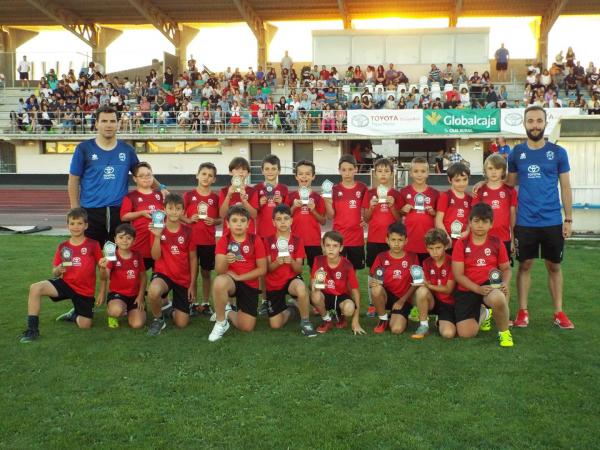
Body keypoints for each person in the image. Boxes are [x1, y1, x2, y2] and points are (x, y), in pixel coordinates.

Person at [506, 106, 574, 329]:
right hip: (525, 221)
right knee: (524, 265)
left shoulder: (558, 152)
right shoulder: (516, 154)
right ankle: (523, 312)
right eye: (530, 121)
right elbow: (509, 185)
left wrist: (569, 219)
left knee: (554, 266)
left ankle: (559, 312)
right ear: (524, 124)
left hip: (552, 220)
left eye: (538, 121)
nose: (534, 125)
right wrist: (484, 183)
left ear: (545, 123)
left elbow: (565, 187)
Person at [68, 105, 165, 247]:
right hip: (90, 211)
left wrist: (161, 187)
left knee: (117, 256)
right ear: (96, 123)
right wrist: (75, 209)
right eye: (104, 121)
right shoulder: (83, 149)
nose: (108, 125)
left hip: (119, 212)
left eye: (112, 121)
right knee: (89, 256)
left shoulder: (127, 150)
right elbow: (73, 180)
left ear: (118, 124)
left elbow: (142, 174)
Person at [20, 208, 103, 342]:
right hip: (66, 284)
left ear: (86, 225)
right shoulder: (63, 246)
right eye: (72, 223)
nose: (76, 227)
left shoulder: (93, 245)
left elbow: (102, 270)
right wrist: (59, 269)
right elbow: (54, 272)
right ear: (67, 226)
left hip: (85, 291)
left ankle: (74, 315)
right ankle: (32, 330)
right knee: (35, 288)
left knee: (85, 325)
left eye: (79, 223)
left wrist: (102, 291)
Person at [452, 203, 514, 347]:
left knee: (498, 297)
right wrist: (477, 289)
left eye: (485, 221)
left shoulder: (496, 242)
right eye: (476, 221)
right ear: (469, 222)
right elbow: (458, 275)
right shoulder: (461, 243)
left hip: (490, 285)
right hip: (467, 288)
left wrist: (505, 283)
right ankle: (484, 313)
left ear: (491, 224)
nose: (480, 225)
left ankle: (504, 333)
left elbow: (506, 269)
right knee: (466, 334)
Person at [208, 206, 268, 342]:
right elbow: (219, 270)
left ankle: (228, 313)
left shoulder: (255, 240)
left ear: (248, 224)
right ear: (228, 224)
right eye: (234, 220)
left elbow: (262, 269)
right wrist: (225, 260)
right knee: (219, 282)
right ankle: (221, 322)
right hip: (231, 281)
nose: (239, 224)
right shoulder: (224, 240)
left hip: (249, 282)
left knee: (247, 327)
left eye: (242, 220)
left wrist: (240, 277)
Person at [147, 194, 198, 336]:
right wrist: (157, 236)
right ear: (164, 210)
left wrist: (192, 285)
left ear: (183, 211)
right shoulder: (157, 228)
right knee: (153, 291)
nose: (174, 211)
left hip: (182, 278)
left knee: (182, 323)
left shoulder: (188, 231)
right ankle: (158, 319)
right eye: (170, 208)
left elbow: (193, 259)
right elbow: (155, 256)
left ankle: (170, 309)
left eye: (178, 209)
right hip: (164, 274)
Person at [264, 204, 317, 337]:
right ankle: (292, 309)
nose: (283, 222)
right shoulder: (267, 241)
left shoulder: (297, 240)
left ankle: (305, 322)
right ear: (273, 222)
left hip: (291, 279)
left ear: (291, 221)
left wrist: (291, 261)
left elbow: (298, 269)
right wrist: (277, 263)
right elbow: (267, 269)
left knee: (301, 288)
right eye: (279, 219)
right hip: (273, 283)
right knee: (275, 325)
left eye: (286, 218)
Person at [362, 158, 401, 317]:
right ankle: (372, 304)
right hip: (373, 239)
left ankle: (390, 302)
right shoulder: (370, 193)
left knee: (391, 271)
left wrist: (392, 206)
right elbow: (366, 218)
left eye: (386, 171)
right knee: (373, 272)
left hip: (392, 241)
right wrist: (371, 207)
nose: (383, 174)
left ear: (392, 173)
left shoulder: (396, 194)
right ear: (375, 174)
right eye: (380, 171)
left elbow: (399, 219)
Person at [182, 162, 221, 317]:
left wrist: (214, 221)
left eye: (210, 175)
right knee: (191, 273)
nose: (206, 177)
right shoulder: (188, 195)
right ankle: (191, 302)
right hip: (190, 241)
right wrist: (188, 219)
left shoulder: (215, 198)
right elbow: (179, 215)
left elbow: (220, 218)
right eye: (204, 174)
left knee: (206, 273)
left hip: (208, 241)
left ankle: (205, 303)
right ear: (197, 175)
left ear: (214, 180)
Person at [310, 231, 365, 335]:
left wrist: (356, 319)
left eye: (335, 246)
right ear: (323, 246)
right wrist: (314, 284)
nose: (331, 249)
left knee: (349, 309)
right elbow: (313, 282)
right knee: (315, 295)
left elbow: (355, 291)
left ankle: (342, 316)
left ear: (341, 248)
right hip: (325, 296)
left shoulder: (347, 264)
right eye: (328, 245)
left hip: (341, 297)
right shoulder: (318, 260)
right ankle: (327, 320)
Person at [368, 223, 418, 335]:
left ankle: (399, 316)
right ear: (387, 240)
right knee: (376, 288)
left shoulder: (412, 257)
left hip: (403, 298)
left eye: (400, 240)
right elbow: (375, 279)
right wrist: (374, 282)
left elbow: (416, 282)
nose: (396, 243)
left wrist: (402, 300)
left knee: (396, 329)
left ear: (406, 241)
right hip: (386, 296)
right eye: (393, 239)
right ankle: (383, 319)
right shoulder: (381, 257)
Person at [97, 223, 146, 329]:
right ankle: (112, 315)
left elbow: (143, 277)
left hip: (134, 295)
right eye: (121, 237)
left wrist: (141, 296)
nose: (124, 240)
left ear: (134, 241)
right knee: (116, 311)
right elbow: (105, 277)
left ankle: (129, 310)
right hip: (118, 295)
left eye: (129, 238)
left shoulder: (137, 255)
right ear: (115, 239)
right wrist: (102, 268)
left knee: (137, 324)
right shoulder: (112, 256)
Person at [324, 155, 368, 270]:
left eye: (350, 169)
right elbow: (331, 216)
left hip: (356, 238)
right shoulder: (334, 190)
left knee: (354, 271)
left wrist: (366, 220)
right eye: (343, 170)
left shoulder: (362, 188)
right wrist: (327, 202)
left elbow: (366, 211)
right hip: (338, 238)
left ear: (356, 169)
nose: (347, 173)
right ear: (339, 171)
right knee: (338, 269)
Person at [411, 229, 456, 339]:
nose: (434, 252)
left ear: (445, 246)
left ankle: (441, 320)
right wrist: (423, 284)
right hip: (433, 302)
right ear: (427, 248)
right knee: (421, 290)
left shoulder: (452, 262)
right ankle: (424, 326)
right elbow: (426, 286)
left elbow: (448, 289)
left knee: (448, 334)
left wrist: (428, 285)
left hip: (448, 304)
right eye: (431, 249)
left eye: (438, 248)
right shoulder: (426, 262)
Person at [473, 154, 517, 265]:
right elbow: (474, 217)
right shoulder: (479, 190)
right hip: (484, 238)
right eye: (490, 168)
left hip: (504, 239)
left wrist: (513, 240)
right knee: (484, 271)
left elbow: (512, 217)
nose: (493, 172)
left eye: (497, 168)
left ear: (503, 171)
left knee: (503, 273)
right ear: (485, 171)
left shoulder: (510, 191)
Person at [120, 162, 164, 272]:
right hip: (140, 244)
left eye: (148, 175)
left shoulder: (160, 195)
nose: (146, 178)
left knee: (158, 276)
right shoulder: (131, 197)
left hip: (159, 243)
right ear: (135, 179)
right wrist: (141, 213)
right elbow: (124, 217)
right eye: (142, 176)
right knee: (139, 279)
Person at [398, 157, 439, 264]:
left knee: (427, 275)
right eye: (416, 171)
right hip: (409, 242)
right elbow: (398, 214)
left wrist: (433, 212)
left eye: (423, 171)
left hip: (429, 243)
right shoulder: (403, 191)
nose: (419, 174)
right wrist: (403, 210)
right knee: (410, 275)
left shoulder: (435, 193)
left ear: (428, 173)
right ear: (410, 173)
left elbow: (439, 216)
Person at [287, 160, 327, 268]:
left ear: (313, 176)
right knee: (294, 270)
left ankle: (312, 285)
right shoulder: (290, 197)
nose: (304, 177)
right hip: (295, 240)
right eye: (300, 174)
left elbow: (323, 221)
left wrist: (313, 210)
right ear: (296, 176)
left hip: (313, 241)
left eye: (308, 174)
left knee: (316, 272)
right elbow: (284, 218)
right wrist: (294, 207)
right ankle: (297, 285)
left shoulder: (318, 198)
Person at [218, 157, 259, 235]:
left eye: (243, 170)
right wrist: (228, 195)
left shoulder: (252, 191)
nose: (240, 172)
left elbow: (254, 215)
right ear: (230, 172)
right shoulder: (224, 191)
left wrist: (244, 201)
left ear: (248, 173)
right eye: (237, 169)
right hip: (229, 234)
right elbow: (222, 215)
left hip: (248, 234)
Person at [436, 162, 472, 248]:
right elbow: (438, 221)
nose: (462, 183)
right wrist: (447, 238)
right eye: (457, 180)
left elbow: (470, 221)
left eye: (465, 179)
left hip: (463, 242)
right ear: (449, 179)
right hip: (448, 242)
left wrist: (467, 232)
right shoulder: (446, 196)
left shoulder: (470, 199)